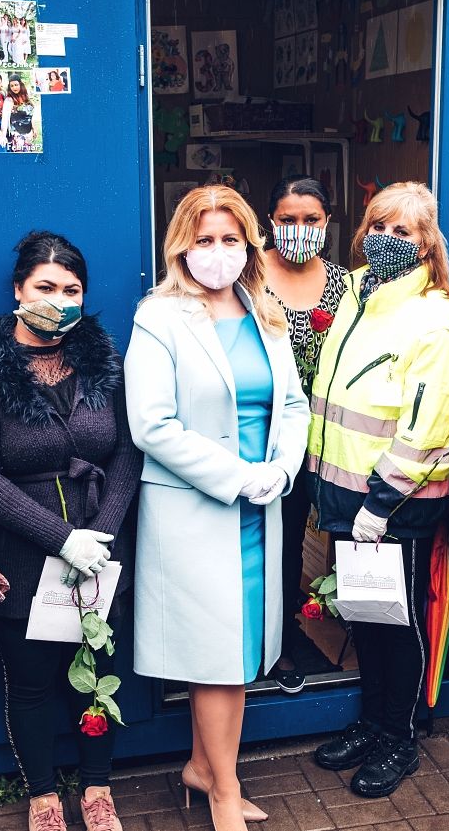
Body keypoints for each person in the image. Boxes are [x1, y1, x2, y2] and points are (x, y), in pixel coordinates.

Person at [0, 232, 141, 831]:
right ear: (18, 291)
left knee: (98, 677)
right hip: (21, 555)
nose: (59, 299)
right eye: (46, 288)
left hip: (101, 548)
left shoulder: (101, 358)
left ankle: (98, 788)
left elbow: (129, 447)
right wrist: (60, 540)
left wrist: (102, 533)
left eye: (71, 289)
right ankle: (43, 795)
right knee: (29, 682)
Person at [125, 185, 310, 831]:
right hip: (199, 511)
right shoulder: (160, 315)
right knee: (218, 656)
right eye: (205, 239)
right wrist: (238, 476)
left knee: (239, 648)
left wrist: (282, 469)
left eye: (230, 239)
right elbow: (152, 425)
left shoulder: (265, 308)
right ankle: (224, 791)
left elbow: (292, 404)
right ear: (182, 244)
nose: (218, 251)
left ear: (249, 245)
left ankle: (204, 766)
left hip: (261, 508)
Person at [307, 182, 449, 799]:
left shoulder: (438, 319)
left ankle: (400, 739)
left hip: (391, 503)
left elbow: (429, 427)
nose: (387, 240)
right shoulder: (356, 290)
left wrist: (382, 502)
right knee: (365, 617)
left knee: (396, 620)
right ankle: (371, 722)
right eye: (379, 226)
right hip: (340, 489)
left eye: (403, 232)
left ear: (428, 242)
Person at [261, 175, 348, 695]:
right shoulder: (248, 278)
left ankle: (303, 627)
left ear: (327, 223)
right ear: (270, 222)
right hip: (266, 437)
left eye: (310, 220)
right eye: (288, 219)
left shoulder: (345, 284)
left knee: (310, 540)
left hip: (330, 437)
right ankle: (272, 642)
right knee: (272, 541)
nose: (299, 229)